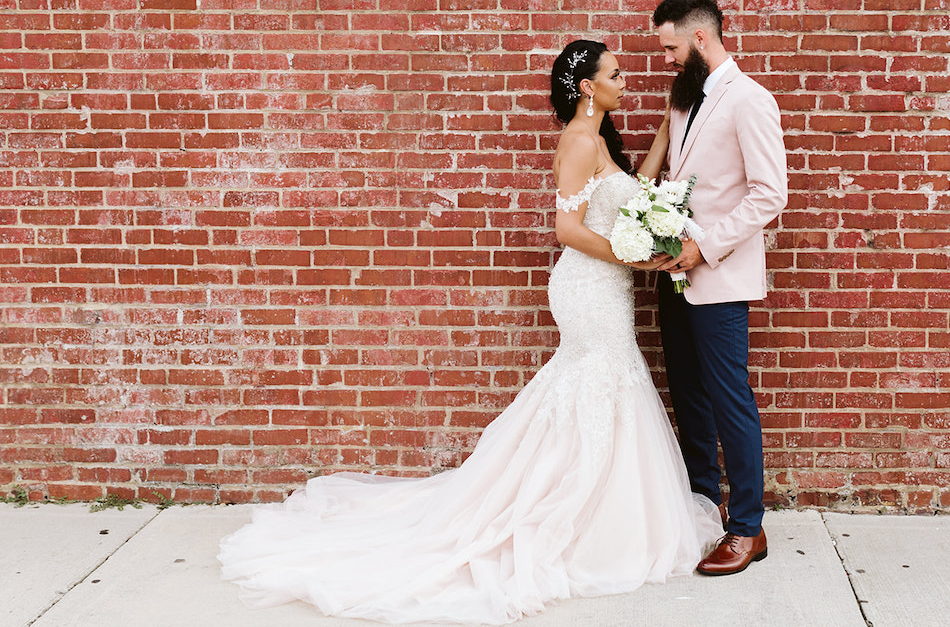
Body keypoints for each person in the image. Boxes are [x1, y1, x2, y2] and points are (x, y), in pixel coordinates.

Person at [218, 39, 723, 625]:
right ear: (588, 86)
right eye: (616, 74)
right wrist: (632, 260)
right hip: (588, 286)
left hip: (605, 286)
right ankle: (567, 513)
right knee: (599, 381)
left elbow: (627, 194)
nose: (625, 81)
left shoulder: (600, 141)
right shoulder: (579, 141)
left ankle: (602, 509)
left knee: (603, 385)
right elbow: (566, 228)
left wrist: (666, 130)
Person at [652, 0, 788, 576]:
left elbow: (769, 195)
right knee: (687, 390)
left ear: (700, 40)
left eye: (671, 47)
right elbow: (680, 180)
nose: (666, 59)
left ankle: (747, 527)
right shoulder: (682, 102)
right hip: (673, 277)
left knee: (731, 400)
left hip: (720, 275)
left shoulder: (750, 101)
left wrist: (700, 247)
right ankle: (704, 504)